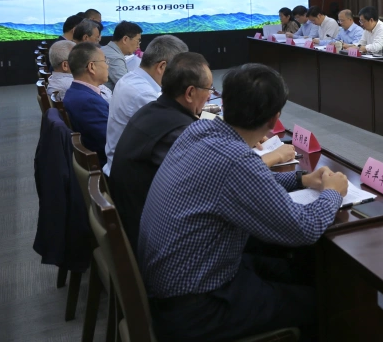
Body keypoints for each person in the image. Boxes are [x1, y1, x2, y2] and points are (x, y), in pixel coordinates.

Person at [138, 64, 349, 342]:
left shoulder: (198, 130)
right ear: (274, 119)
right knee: (322, 303)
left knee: (296, 269)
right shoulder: (236, 160)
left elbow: (249, 184)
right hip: (197, 307)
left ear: (224, 102)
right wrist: (333, 193)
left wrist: (302, 179)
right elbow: (304, 228)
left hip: (181, 279)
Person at [111, 52, 293, 253]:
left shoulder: (154, 110)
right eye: (209, 89)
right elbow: (225, 172)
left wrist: (243, 134)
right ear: (190, 93)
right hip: (154, 239)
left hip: (147, 224)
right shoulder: (179, 131)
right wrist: (275, 155)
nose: (209, 95)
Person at [103, 35, 189, 176]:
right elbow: (180, 137)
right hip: (129, 176)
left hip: (121, 165)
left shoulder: (131, 78)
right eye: (180, 72)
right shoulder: (144, 94)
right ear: (162, 67)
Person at [62, 42, 111, 164]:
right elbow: (111, 142)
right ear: (91, 67)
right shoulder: (88, 102)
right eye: (105, 61)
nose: (107, 66)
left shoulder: (76, 92)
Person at [101, 21, 143, 91]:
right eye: (137, 41)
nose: (138, 46)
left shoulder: (105, 50)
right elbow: (128, 87)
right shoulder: (115, 58)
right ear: (125, 39)